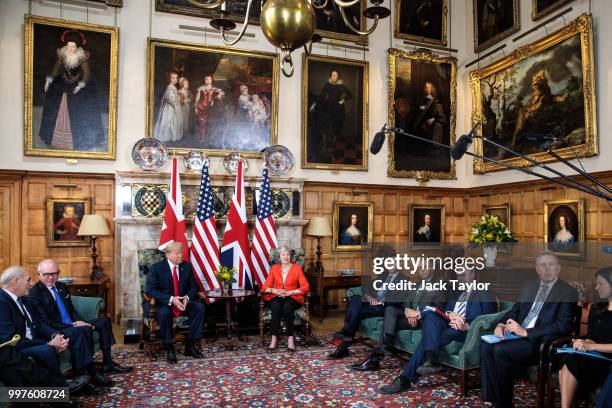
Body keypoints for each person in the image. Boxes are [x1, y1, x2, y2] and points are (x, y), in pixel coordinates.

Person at [480, 250, 578, 408]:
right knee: (486, 345)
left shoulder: (567, 292)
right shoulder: (529, 286)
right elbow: (515, 311)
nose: (547, 269)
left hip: (539, 342)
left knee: (500, 350)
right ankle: (493, 398)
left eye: (551, 264)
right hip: (517, 335)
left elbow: (564, 325)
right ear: (537, 269)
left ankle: (502, 404)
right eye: (542, 265)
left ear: (558, 268)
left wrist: (526, 332)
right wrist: (501, 324)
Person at [381, 267, 496, 394]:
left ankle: (406, 378)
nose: (460, 278)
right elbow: (447, 308)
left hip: (465, 331)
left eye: (463, 274)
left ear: (473, 274)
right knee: (430, 315)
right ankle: (430, 359)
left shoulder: (483, 291)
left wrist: (466, 325)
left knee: (428, 339)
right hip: (449, 323)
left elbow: (488, 316)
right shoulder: (457, 290)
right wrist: (450, 313)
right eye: (458, 275)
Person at [0, 266, 100, 398]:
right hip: (17, 347)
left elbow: (39, 323)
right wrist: (49, 344)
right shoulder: (2, 302)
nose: (31, 284)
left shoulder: (23, 298)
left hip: (34, 339)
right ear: (17, 281)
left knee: (77, 333)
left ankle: (78, 381)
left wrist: (55, 335)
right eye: (28, 280)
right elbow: (11, 339)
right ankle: (62, 391)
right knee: (47, 350)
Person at [28, 259, 132, 374]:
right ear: (39, 274)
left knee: (105, 321)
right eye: (46, 274)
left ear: (58, 273)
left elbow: (71, 310)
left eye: (54, 274)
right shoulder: (35, 293)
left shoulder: (62, 286)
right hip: (59, 328)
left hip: (74, 323)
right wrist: (73, 325)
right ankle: (89, 370)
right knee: (84, 329)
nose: (51, 278)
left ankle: (108, 363)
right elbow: (46, 322)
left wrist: (80, 321)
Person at [351, 263, 446, 371]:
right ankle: (386, 345)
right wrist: (407, 311)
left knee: (389, 323)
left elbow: (438, 308)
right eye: (419, 268)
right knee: (390, 310)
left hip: (424, 319)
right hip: (409, 316)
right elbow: (406, 301)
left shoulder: (440, 285)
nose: (422, 270)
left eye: (425, 267)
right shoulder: (416, 284)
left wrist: (417, 314)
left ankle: (375, 358)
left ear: (432, 268)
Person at [328, 246, 405, 360]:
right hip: (373, 305)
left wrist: (380, 301)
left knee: (354, 311)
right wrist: (369, 297)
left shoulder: (404, 279)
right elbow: (367, 289)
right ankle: (347, 336)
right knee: (355, 299)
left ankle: (344, 341)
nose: (390, 266)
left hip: (385, 308)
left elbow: (397, 300)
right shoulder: (383, 276)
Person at [39, 29, 105, 151]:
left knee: (80, 107)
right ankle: (58, 140)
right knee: (57, 101)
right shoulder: (63, 54)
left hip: (78, 83)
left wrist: (81, 84)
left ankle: (81, 140)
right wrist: (49, 80)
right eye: (69, 46)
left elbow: (87, 72)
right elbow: (56, 69)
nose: (70, 48)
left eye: (73, 46)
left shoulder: (81, 56)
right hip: (63, 83)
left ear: (77, 46)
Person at [557, 267, 612, 408]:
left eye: (601, 283)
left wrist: (590, 346)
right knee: (569, 358)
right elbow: (591, 337)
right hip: (595, 356)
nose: (596, 287)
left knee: (571, 362)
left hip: (608, 361)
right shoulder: (597, 308)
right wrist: (582, 343)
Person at [145, 242, 205, 363]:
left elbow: (193, 287)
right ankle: (169, 348)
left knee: (199, 307)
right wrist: (172, 299)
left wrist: (186, 298)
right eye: (177, 253)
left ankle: (190, 346)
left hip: (183, 303)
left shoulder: (186, 266)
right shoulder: (156, 268)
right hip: (162, 303)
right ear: (167, 255)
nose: (180, 256)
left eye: (181, 253)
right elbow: (150, 291)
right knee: (164, 313)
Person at [261, 246, 310, 353]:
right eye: (283, 254)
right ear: (279, 257)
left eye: (287, 254)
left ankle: (290, 339)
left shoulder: (297, 268)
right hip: (277, 296)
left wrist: (291, 292)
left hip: (293, 297)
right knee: (276, 306)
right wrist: (275, 291)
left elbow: (305, 287)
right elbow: (265, 287)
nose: (286, 256)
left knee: (288, 306)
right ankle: (274, 339)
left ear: (290, 256)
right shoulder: (274, 268)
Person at [309, 69, 353, 153]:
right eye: (333, 75)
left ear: (338, 77)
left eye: (336, 75)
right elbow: (321, 96)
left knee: (336, 128)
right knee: (325, 128)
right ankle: (324, 146)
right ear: (330, 76)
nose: (334, 77)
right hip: (328, 109)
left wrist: (343, 100)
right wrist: (314, 104)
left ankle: (333, 146)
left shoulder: (341, 86)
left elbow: (350, 94)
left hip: (338, 110)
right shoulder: (327, 85)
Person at [411, 82, 446, 149]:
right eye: (425, 87)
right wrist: (419, 108)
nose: (427, 89)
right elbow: (414, 110)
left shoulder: (436, 102)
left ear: (432, 89)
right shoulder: (421, 99)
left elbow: (442, 117)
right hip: (418, 126)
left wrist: (433, 119)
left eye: (428, 87)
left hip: (429, 127)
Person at [154, 71, 183, 143]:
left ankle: (173, 135)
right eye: (173, 78)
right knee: (168, 121)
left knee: (174, 121)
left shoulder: (173, 87)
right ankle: (167, 136)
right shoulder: (169, 87)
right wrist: (178, 98)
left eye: (176, 78)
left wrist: (178, 96)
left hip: (174, 105)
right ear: (169, 79)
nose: (175, 80)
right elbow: (170, 98)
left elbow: (174, 96)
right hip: (169, 107)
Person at [195, 75, 221, 144]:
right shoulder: (200, 88)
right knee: (202, 123)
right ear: (204, 80)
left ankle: (210, 138)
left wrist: (218, 95)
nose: (208, 81)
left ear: (212, 80)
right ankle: (202, 138)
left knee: (211, 122)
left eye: (209, 79)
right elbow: (197, 99)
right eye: (206, 79)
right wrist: (196, 108)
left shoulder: (214, 89)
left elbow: (219, 97)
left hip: (210, 109)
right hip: (202, 107)